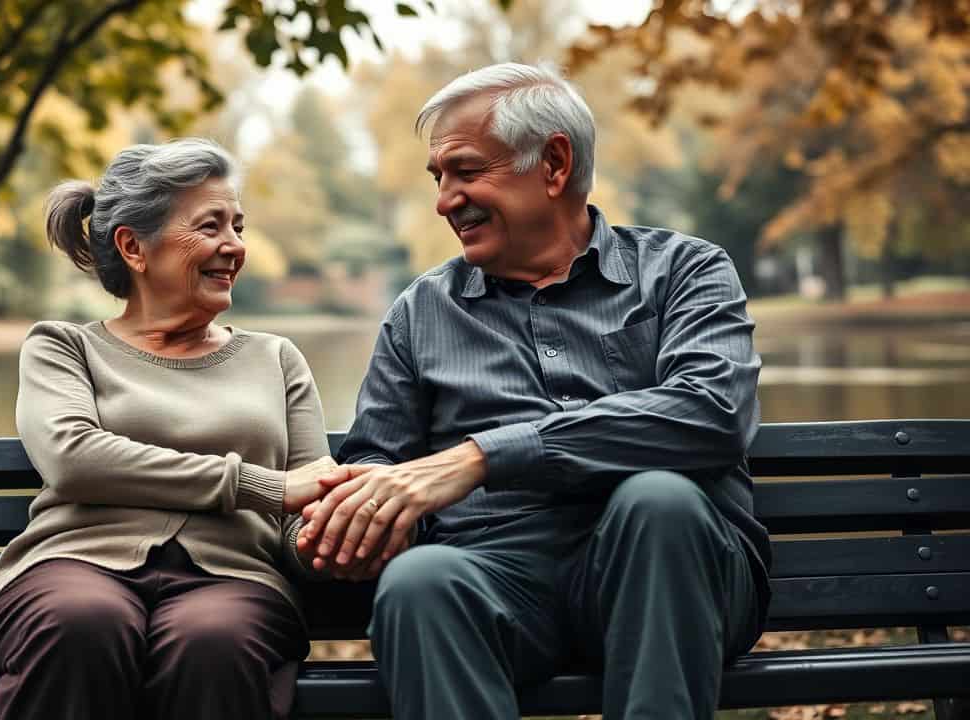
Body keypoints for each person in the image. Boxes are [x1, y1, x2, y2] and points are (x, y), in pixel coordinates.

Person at [298, 62, 770, 720]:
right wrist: (370, 514)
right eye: (438, 180)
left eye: (465, 171)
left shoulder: (683, 270)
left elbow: (712, 411)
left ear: (552, 164)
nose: (443, 201)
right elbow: (380, 456)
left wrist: (482, 456)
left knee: (658, 501)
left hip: (671, 570)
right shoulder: (421, 312)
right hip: (501, 581)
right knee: (420, 581)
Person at [0, 138, 340, 720]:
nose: (235, 246)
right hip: (77, 565)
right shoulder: (62, 347)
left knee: (213, 642)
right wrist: (262, 487)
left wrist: (328, 533)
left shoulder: (277, 358)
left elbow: (307, 500)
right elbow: (74, 459)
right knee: (83, 623)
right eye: (210, 226)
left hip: (233, 579)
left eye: (238, 226)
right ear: (133, 247)